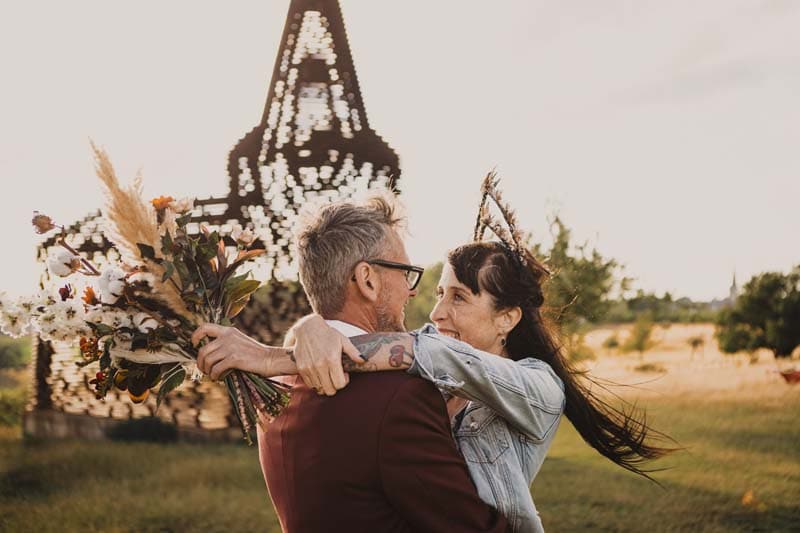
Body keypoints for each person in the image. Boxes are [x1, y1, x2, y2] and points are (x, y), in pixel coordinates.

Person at [193, 192, 512, 532]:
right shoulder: (400, 398)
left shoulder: (275, 388)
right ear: (367, 280)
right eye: (406, 272)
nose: (412, 291)